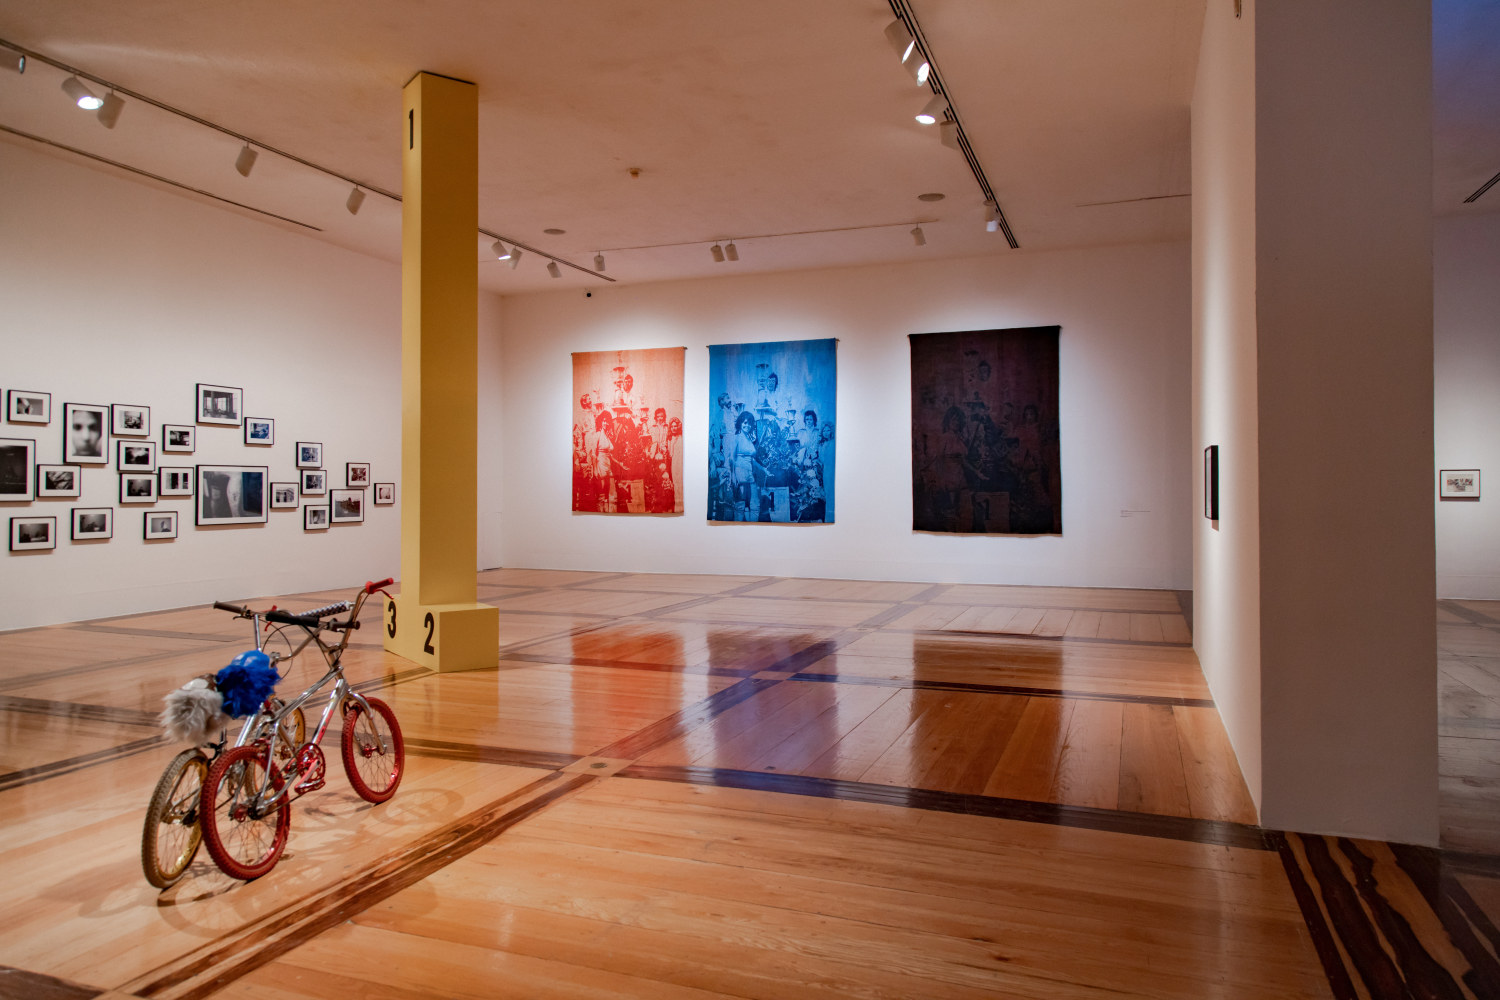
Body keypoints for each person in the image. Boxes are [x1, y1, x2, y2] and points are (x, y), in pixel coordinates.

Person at [730, 410, 762, 521]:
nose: (747, 425)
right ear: (740, 423)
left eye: (749, 423)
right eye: (744, 422)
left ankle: (754, 528)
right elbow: (732, 458)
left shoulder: (749, 439)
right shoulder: (737, 437)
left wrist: (764, 470)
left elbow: (752, 459)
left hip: (750, 473)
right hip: (740, 471)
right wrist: (733, 476)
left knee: (755, 504)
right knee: (740, 504)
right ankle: (737, 527)